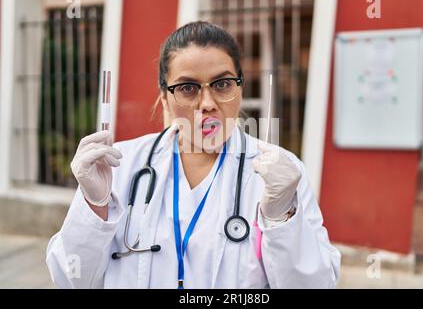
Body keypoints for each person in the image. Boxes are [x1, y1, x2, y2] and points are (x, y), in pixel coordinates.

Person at [46, 21, 340, 289]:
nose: (207, 103)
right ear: (165, 98)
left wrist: (282, 218)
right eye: (187, 88)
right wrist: (94, 207)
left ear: (240, 89)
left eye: (222, 84)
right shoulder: (119, 166)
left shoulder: (280, 175)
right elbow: (70, 280)